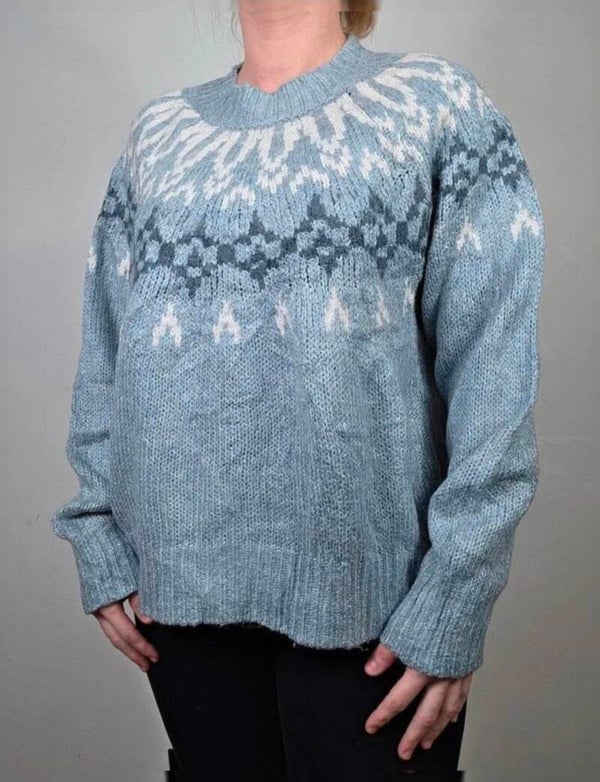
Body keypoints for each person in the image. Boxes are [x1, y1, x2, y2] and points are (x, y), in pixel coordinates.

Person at [50, 1, 545, 779]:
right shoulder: (159, 135)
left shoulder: (437, 105)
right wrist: (95, 530)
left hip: (376, 604)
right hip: (176, 597)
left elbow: (493, 366)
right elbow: (108, 353)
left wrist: (457, 592)